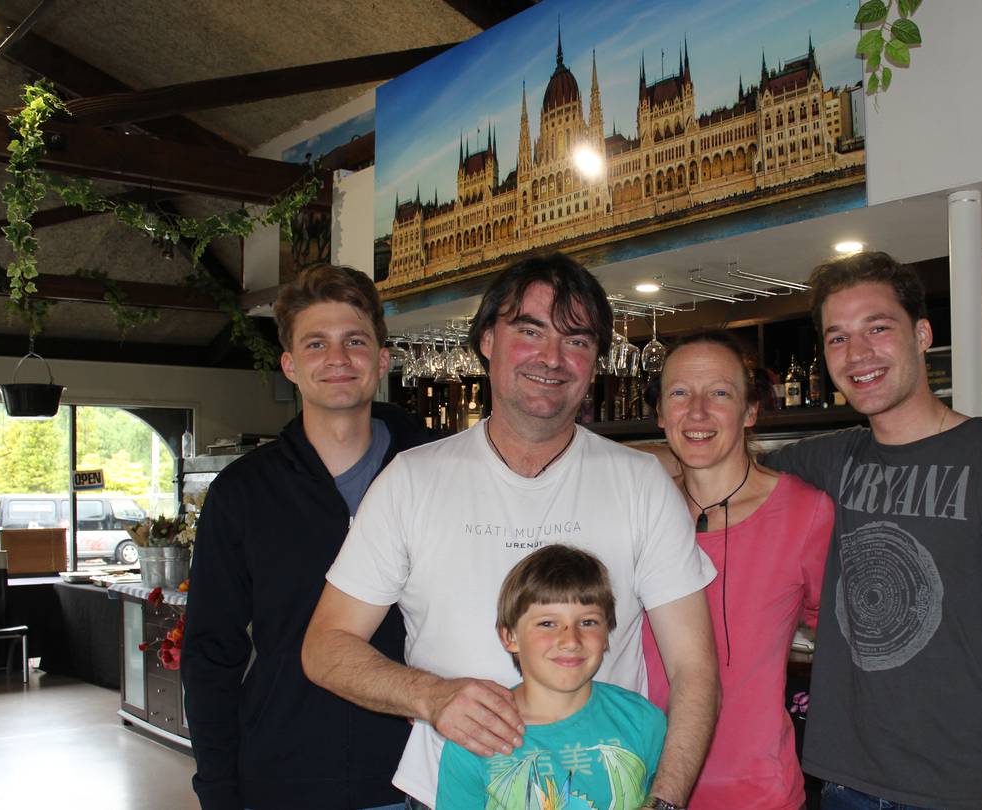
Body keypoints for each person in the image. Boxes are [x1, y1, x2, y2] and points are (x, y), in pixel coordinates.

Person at [301, 252, 720, 810]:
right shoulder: (412, 480)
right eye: (530, 331)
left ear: (595, 361)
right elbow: (325, 648)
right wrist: (430, 696)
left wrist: (665, 801)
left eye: (577, 340)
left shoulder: (641, 483)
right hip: (448, 795)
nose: (552, 358)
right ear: (487, 341)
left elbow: (695, 669)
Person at [763, 251, 982, 810]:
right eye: (837, 338)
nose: (857, 353)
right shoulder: (833, 460)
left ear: (922, 334)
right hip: (842, 783)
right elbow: (717, 468)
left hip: (962, 790)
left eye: (877, 328)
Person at [181, 263, 432, 810]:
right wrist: (218, 790)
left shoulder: (440, 474)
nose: (338, 359)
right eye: (316, 344)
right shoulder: (242, 493)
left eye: (355, 341)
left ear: (382, 360)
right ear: (290, 366)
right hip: (284, 780)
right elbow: (211, 655)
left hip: (423, 778)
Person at [640, 332, 834, 810]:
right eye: (680, 393)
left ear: (750, 412)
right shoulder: (639, 509)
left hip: (757, 794)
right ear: (661, 413)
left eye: (720, 393)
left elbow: (849, 641)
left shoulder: (805, 513)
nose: (698, 412)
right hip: (633, 783)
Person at [437, 545, 667, 808]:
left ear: (607, 634)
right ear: (510, 636)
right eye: (548, 623)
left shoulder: (642, 721)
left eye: (588, 622)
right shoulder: (476, 735)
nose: (570, 640)